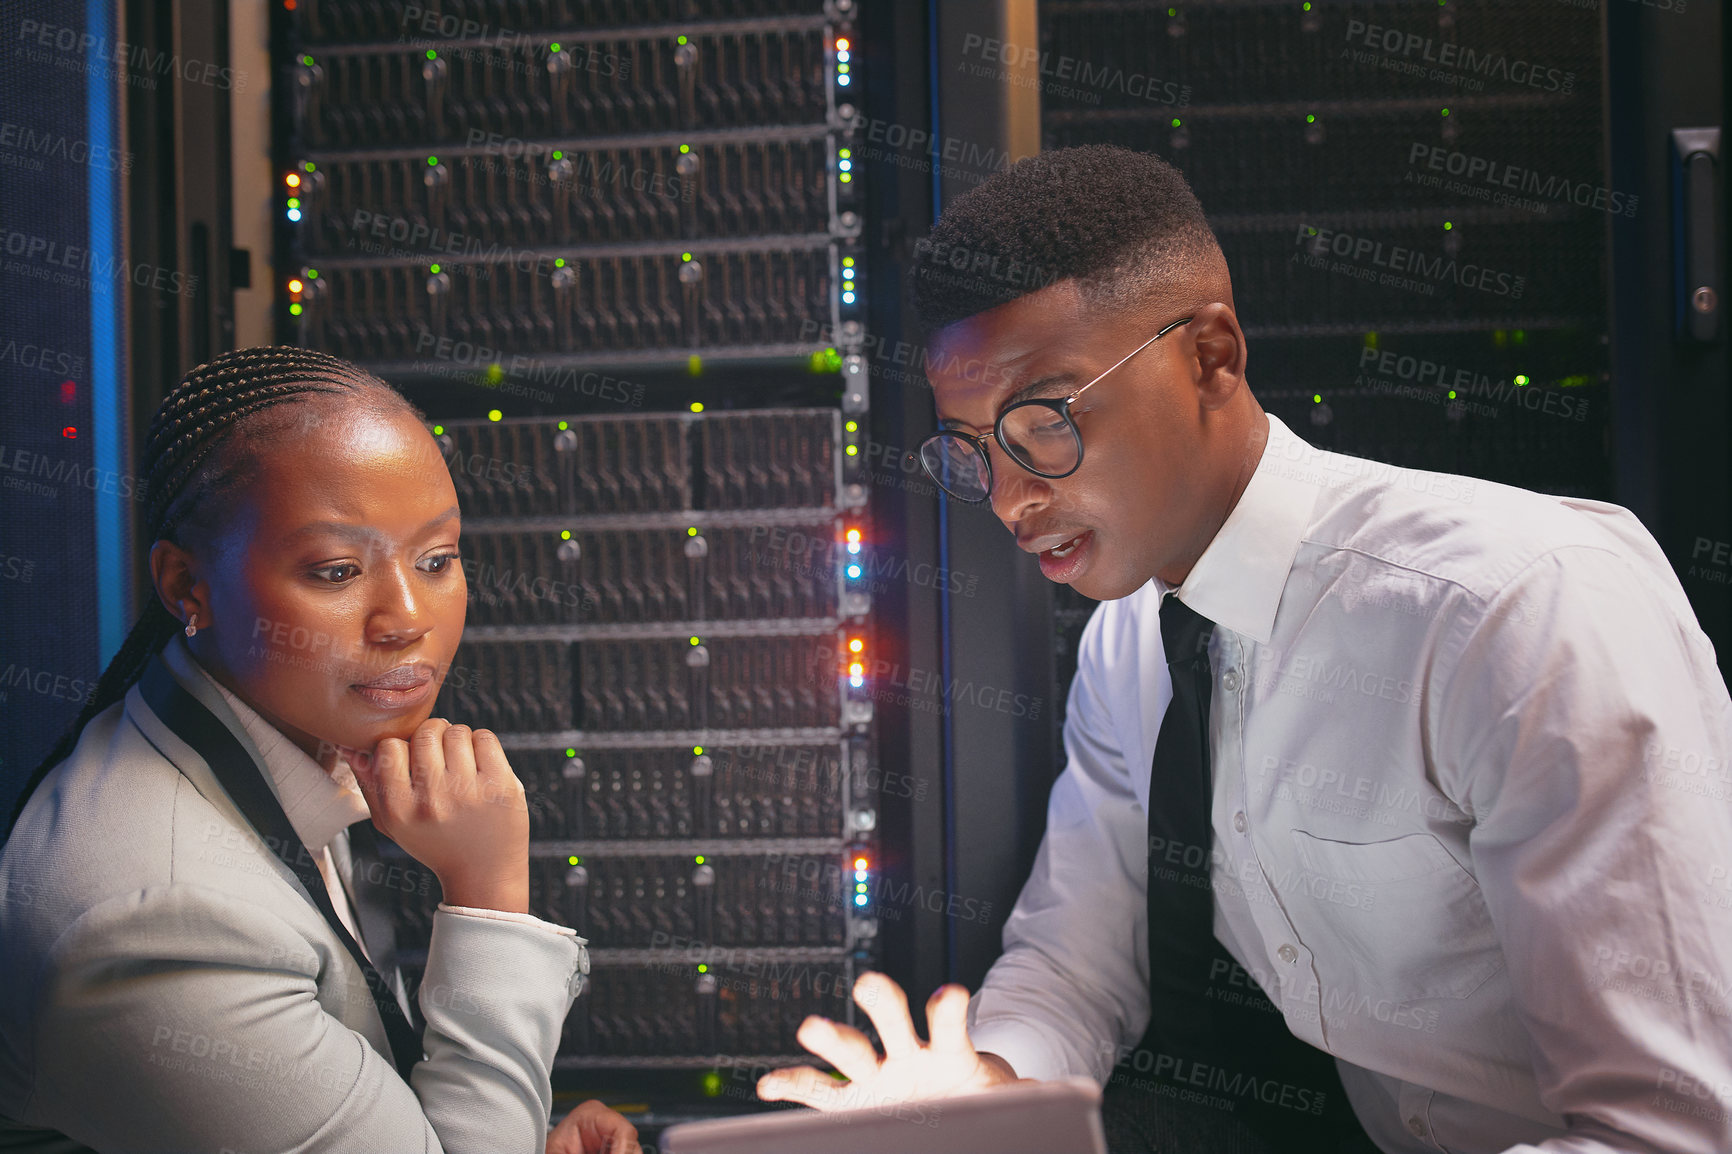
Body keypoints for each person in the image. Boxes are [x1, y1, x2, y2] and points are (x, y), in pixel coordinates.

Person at [757, 144, 1732, 1153]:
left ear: (1210, 355)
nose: (1010, 498)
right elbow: (1074, 963)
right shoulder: (1132, 644)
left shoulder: (1516, 607)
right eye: (971, 448)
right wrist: (986, 1094)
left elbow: (1671, 1133)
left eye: (1043, 419)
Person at [0, 347, 638, 1153]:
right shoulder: (159, 925)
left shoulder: (279, 734)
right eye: (337, 571)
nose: (406, 616)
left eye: (437, 559)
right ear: (186, 588)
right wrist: (487, 894)